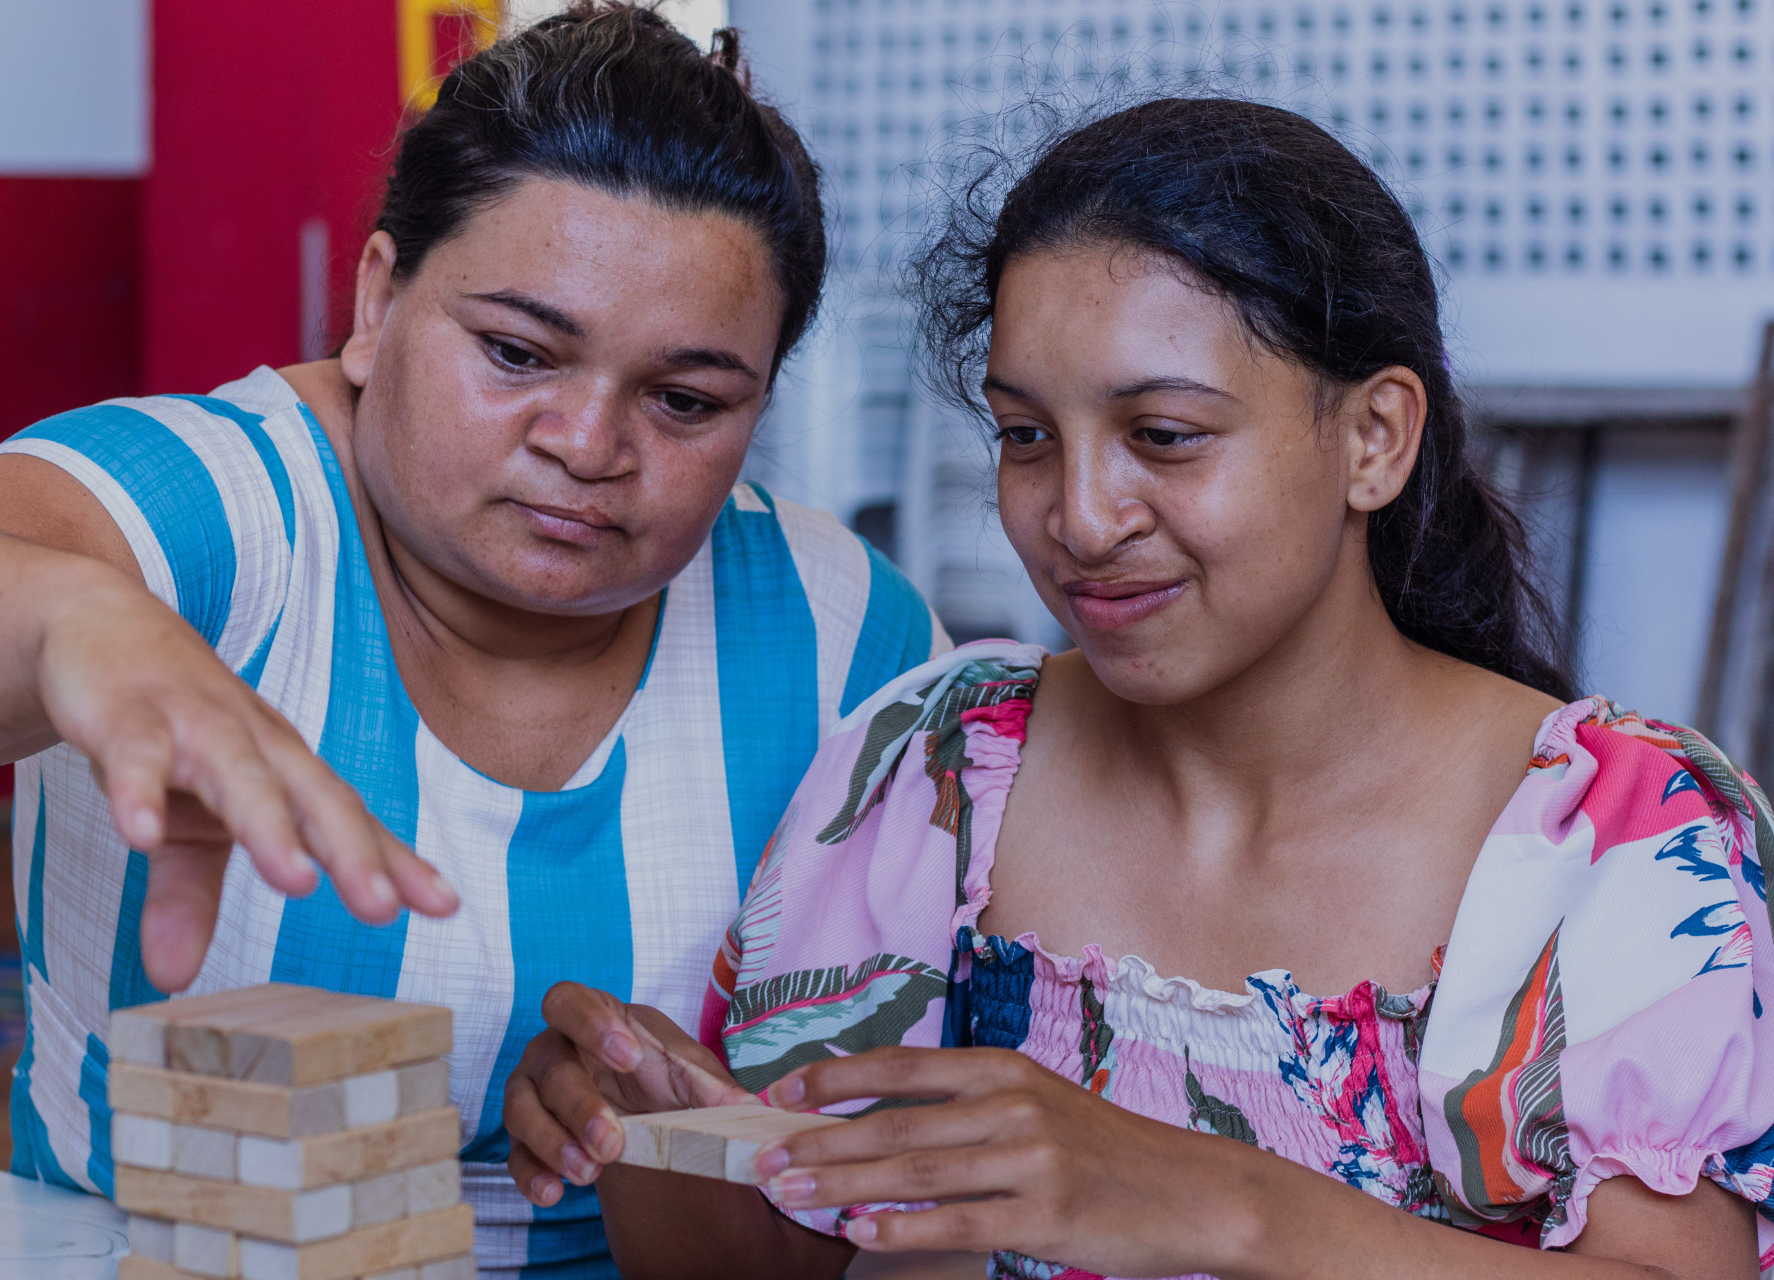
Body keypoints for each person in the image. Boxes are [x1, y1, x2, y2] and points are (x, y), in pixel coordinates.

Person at [503, 98, 1774, 1279]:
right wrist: (648, 1131)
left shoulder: (1624, 838)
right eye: (1026, 435)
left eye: (1164, 436)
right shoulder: (936, 766)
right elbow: (783, 1259)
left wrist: (1227, 1200)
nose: (1080, 517)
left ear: (1375, 438)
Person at [0, 5, 943, 1273]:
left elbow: (868, 1190)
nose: (588, 444)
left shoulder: (842, 629)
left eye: (686, 400)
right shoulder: (212, 508)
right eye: (517, 352)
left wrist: (688, 1124)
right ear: (377, 301)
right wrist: (70, 617)